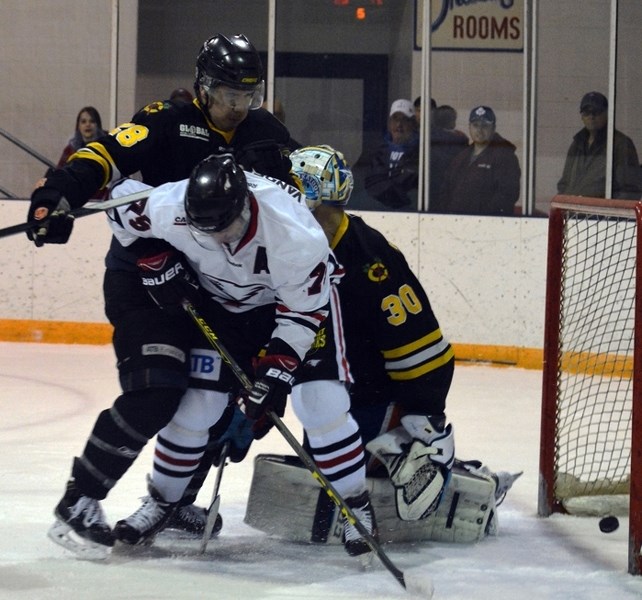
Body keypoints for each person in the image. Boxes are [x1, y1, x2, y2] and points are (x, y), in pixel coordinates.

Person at [26, 33, 299, 555]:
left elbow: (292, 205)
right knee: (157, 390)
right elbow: (104, 155)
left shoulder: (266, 133)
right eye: (226, 96)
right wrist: (58, 193)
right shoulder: (165, 120)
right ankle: (78, 501)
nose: (237, 109)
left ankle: (175, 502)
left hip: (210, 289)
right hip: (140, 280)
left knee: (216, 401)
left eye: (248, 96)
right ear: (202, 86)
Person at [100, 154, 374, 560]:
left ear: (244, 207)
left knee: (320, 402)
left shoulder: (296, 235)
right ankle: (162, 502)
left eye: (223, 228)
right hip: (223, 307)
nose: (215, 240)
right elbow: (116, 204)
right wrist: (153, 258)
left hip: (292, 308)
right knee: (197, 406)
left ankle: (356, 508)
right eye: (202, 230)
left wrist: (274, 376)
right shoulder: (173, 205)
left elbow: (301, 315)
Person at [290, 145, 456, 521]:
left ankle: (424, 451)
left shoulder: (372, 258)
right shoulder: (286, 250)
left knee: (341, 472)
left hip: (376, 396)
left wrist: (424, 414)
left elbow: (423, 348)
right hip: (328, 390)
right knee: (322, 468)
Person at [437, 105, 520, 216]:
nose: (479, 130)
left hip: (488, 225)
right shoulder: (461, 157)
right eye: (475, 125)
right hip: (457, 224)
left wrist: (484, 218)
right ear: (469, 127)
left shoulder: (504, 157)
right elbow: (446, 190)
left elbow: (507, 194)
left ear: (494, 128)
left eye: (485, 126)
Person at [557, 91, 641, 200]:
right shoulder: (577, 143)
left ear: (606, 114)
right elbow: (564, 183)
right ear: (582, 116)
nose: (591, 117)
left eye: (596, 112)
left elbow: (629, 190)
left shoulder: (620, 144)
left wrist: (609, 213)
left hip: (602, 215)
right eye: (587, 112)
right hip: (574, 213)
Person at [357, 99, 420, 210]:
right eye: (395, 119)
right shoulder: (375, 150)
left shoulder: (421, 152)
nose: (399, 125)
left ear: (413, 124)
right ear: (389, 123)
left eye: (404, 120)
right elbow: (363, 179)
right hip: (374, 207)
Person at [56, 106, 108, 201]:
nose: (87, 125)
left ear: (98, 125)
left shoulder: (107, 146)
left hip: (105, 200)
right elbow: (59, 174)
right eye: (83, 122)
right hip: (78, 200)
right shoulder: (70, 150)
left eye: (92, 121)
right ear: (78, 126)